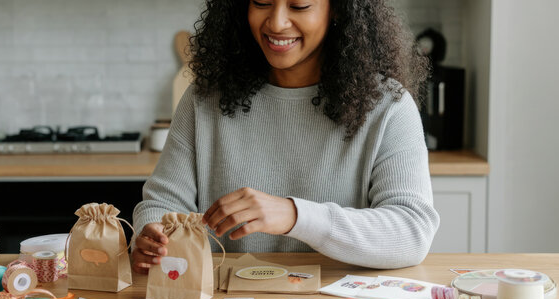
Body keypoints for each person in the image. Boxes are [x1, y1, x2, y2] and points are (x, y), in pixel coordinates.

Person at [131, 0, 439, 273]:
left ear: (337, 10)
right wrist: (152, 233)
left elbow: (411, 232)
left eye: (299, 6)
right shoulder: (203, 100)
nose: (276, 22)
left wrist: (295, 215)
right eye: (262, 2)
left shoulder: (388, 106)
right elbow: (163, 203)